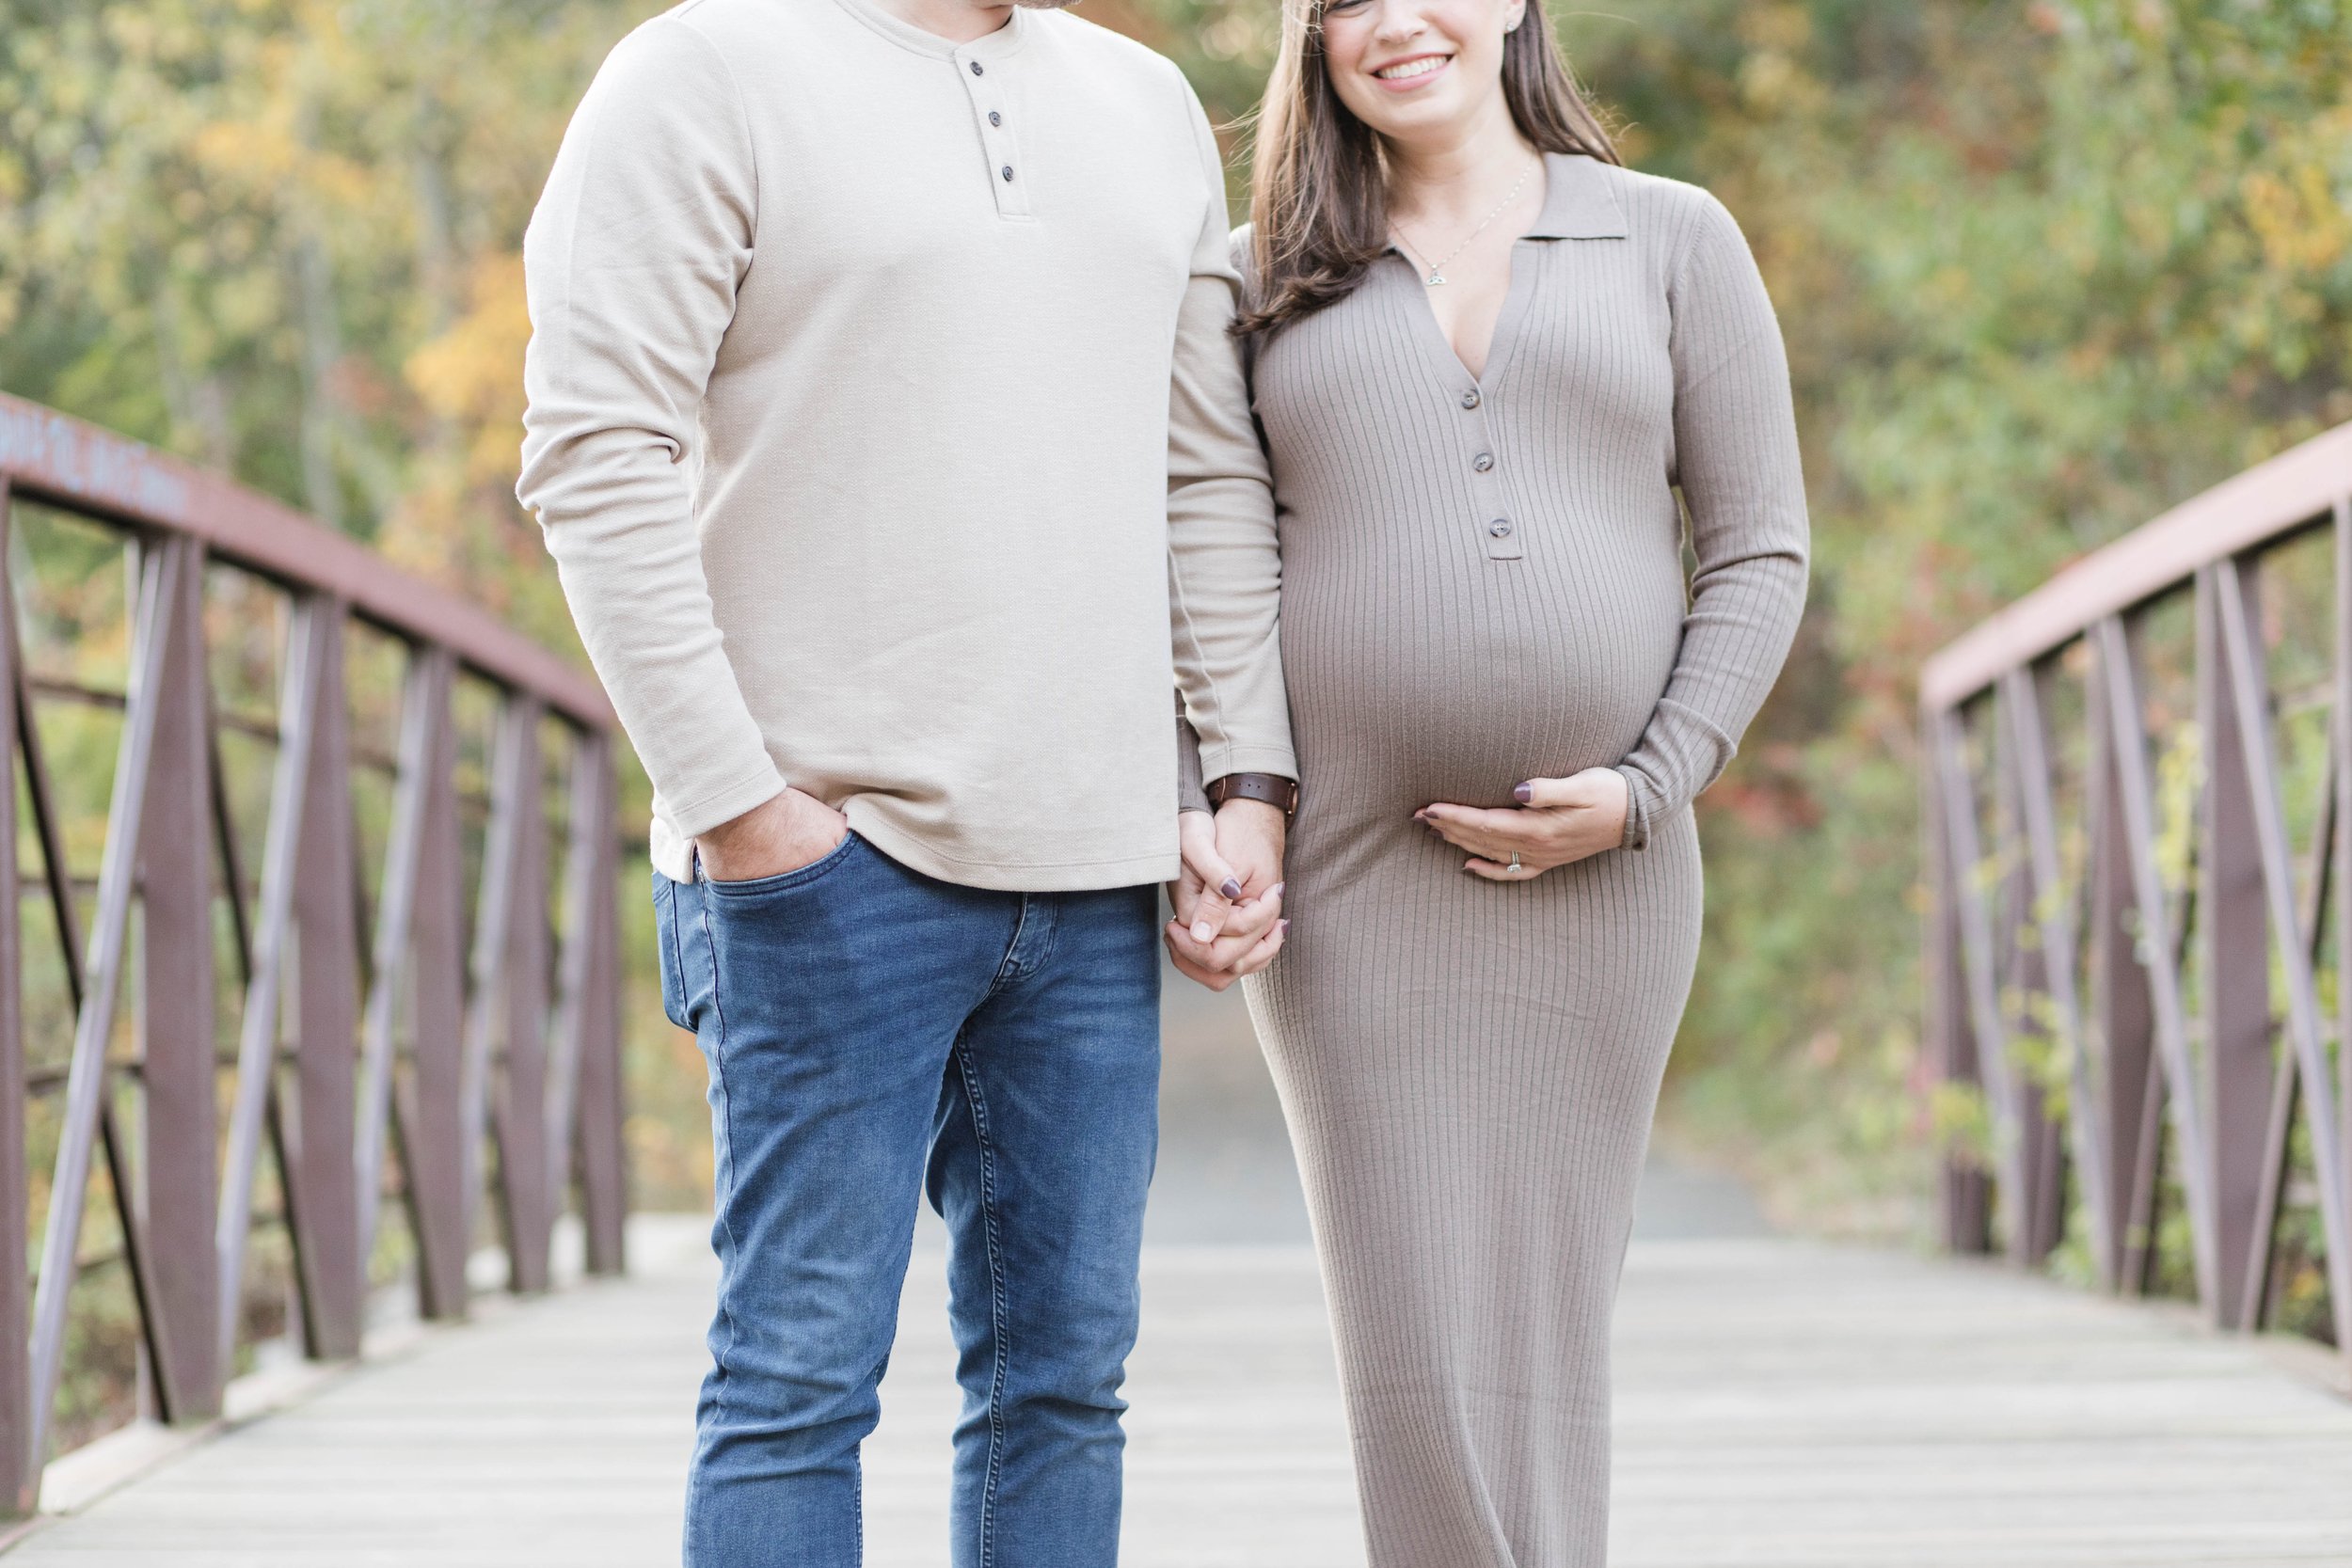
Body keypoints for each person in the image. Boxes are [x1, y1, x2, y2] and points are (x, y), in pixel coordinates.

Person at [514, 0, 1296, 1560]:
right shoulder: (701, 73)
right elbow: (597, 451)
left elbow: (1203, 468)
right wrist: (743, 809)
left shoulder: (1144, 102)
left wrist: (1246, 776)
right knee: (798, 1386)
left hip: (1093, 867)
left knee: (1066, 1385)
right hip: (823, 867)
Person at [1180, 0, 1810, 1560]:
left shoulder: (1670, 237)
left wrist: (1651, 783)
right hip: (1352, 885)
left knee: (1545, 1328)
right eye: (1342, 1)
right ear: (1307, 38)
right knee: (1408, 1340)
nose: (1395, 22)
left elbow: (1757, 548)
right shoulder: (1258, 274)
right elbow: (1210, 562)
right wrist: (1231, 792)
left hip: (1611, 877)